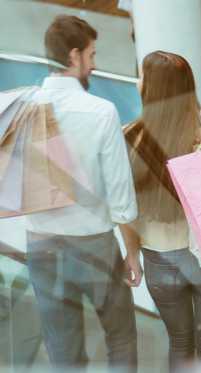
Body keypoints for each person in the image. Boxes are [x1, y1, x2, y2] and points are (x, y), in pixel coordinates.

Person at [25, 15, 139, 371]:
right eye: (92, 54)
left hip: (41, 243)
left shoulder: (23, 107)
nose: (94, 63)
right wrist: (132, 253)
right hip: (94, 244)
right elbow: (121, 199)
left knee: (62, 346)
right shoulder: (101, 112)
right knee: (120, 335)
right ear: (74, 56)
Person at [119, 51, 201, 372]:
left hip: (158, 257)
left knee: (180, 343)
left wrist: (131, 254)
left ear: (151, 88)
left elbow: (123, 207)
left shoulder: (129, 136)